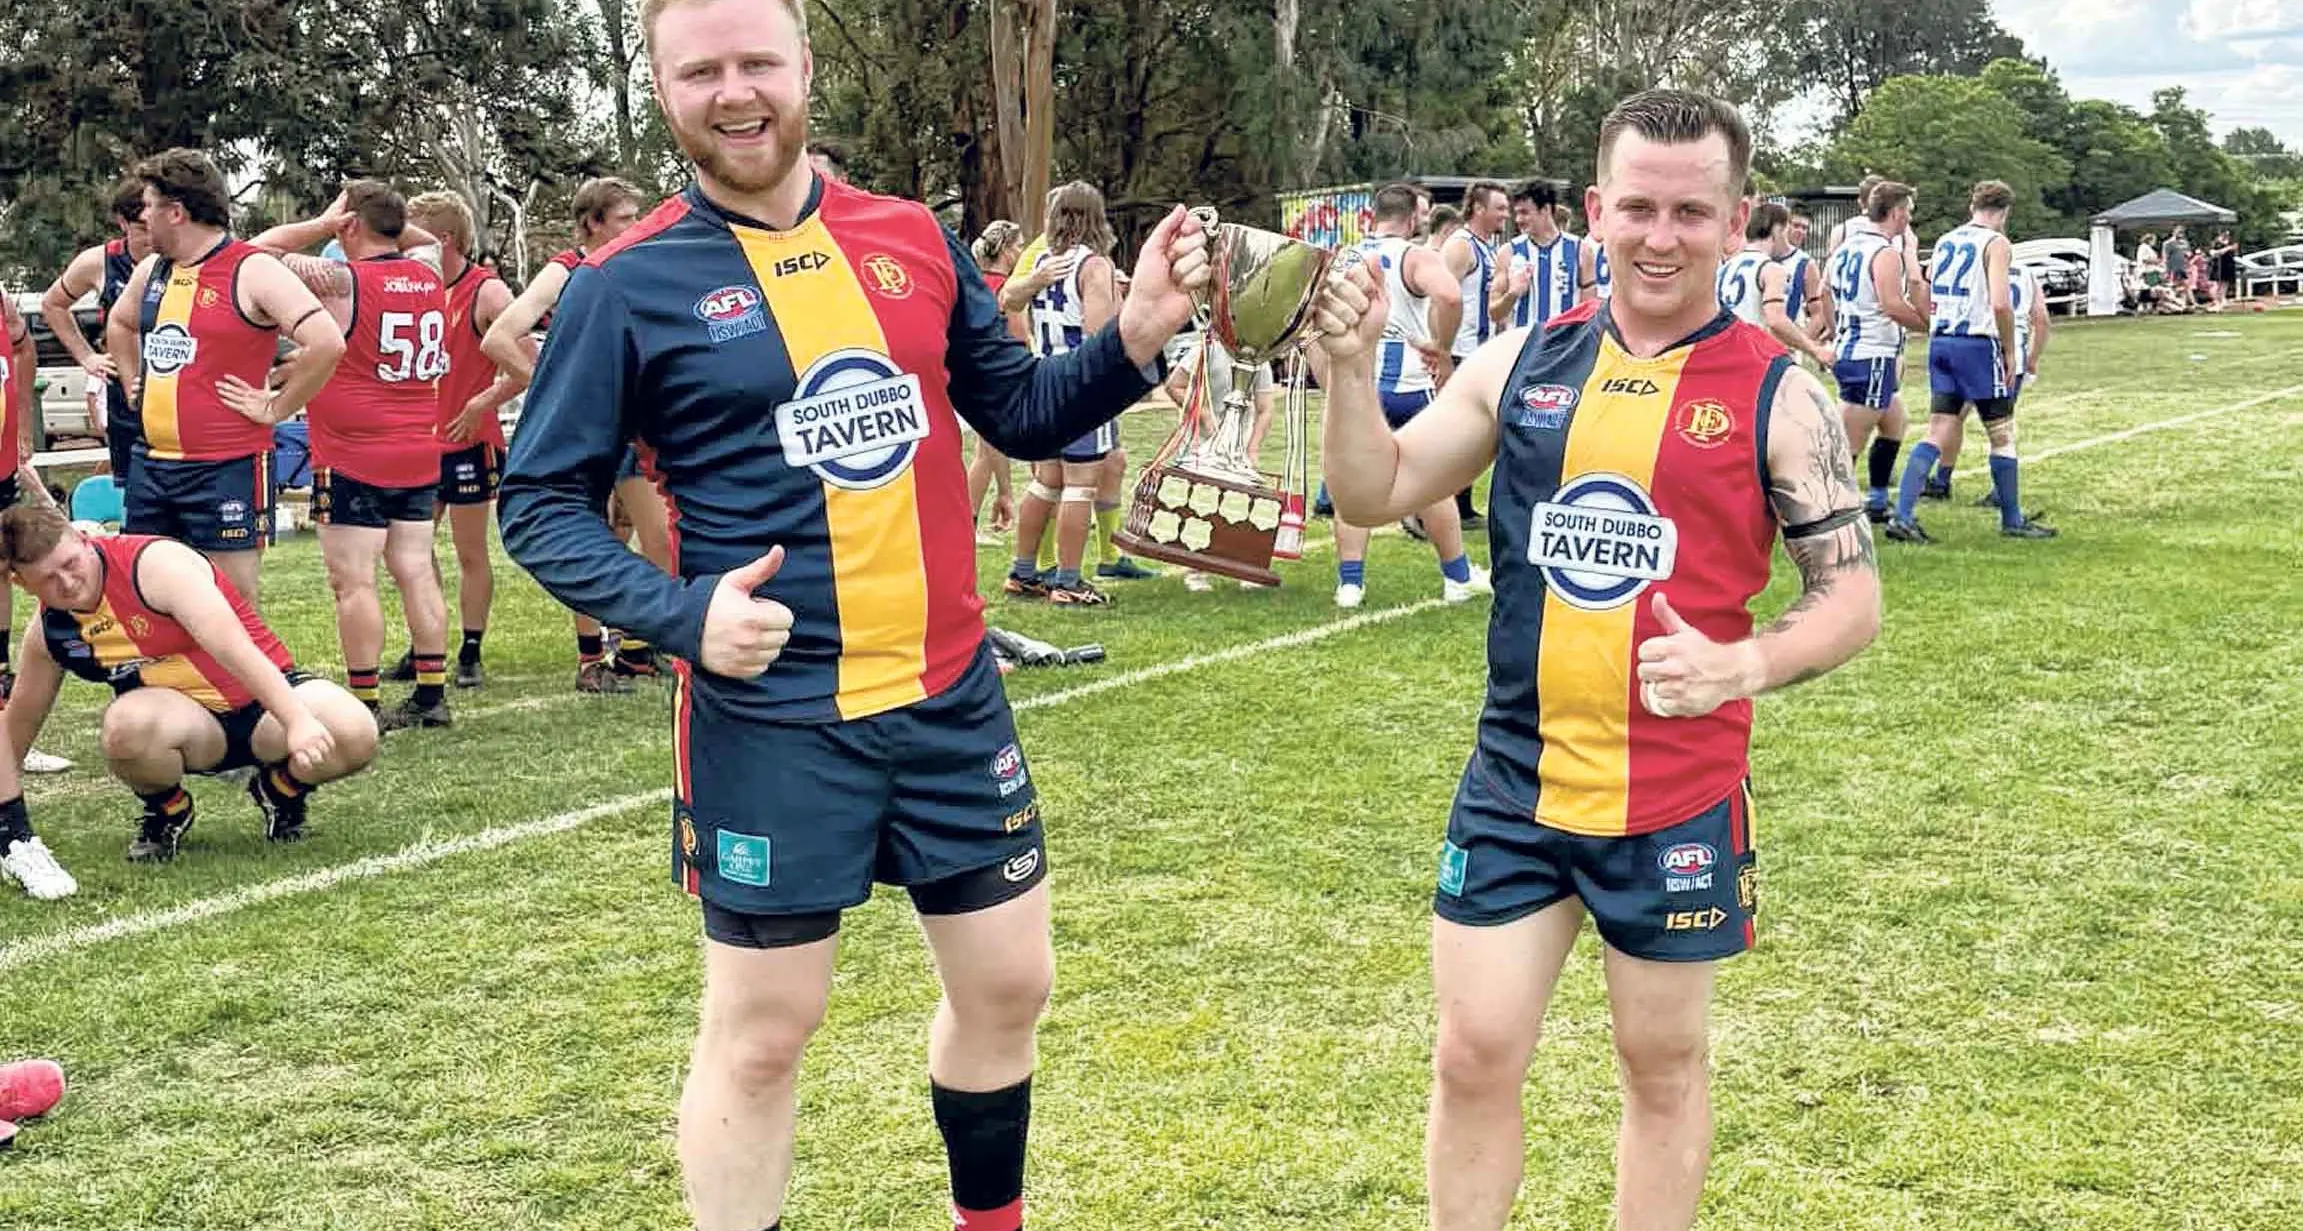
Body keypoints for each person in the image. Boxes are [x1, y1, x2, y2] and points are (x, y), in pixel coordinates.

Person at [496, 3, 1208, 1229]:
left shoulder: (910, 237)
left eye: (757, 62)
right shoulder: (626, 285)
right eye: (699, 71)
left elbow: (1022, 412)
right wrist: (675, 614)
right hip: (773, 715)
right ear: (662, 88)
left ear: (804, 69)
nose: (734, 93)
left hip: (945, 694)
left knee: (1007, 987)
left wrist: (1134, 335)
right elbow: (541, 499)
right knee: (765, 1036)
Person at [1309, 89, 1880, 1231]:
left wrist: (1742, 665)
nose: (1659, 235)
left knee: (1657, 1066)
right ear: (1592, 210)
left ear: (1735, 216)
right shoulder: (1522, 360)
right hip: (1515, 783)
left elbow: (1850, 595)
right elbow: (1374, 492)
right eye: (1635, 208)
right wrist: (1346, 369)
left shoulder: (1779, 393)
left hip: (1676, 796)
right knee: (1471, 1055)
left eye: (1689, 210)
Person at [0, 504, 379, 863]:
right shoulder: (51, 632)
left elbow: (234, 649)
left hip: (262, 704)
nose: (67, 582)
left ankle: (279, 791)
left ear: (83, 539)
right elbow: (20, 720)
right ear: (20, 583)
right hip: (189, 729)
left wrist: (296, 720)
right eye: (48, 578)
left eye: (71, 563)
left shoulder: (154, 565)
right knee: (123, 727)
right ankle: (168, 811)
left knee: (355, 732)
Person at [244, 184, 464, 726]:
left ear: (350, 226)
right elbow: (420, 239)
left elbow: (255, 254)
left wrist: (324, 225)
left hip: (353, 452)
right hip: (417, 444)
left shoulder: (342, 280)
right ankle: (431, 695)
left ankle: (364, 699)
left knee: (354, 580)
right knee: (415, 569)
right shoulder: (428, 270)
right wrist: (379, 214)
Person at [103, 148, 349, 606]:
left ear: (176, 213)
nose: (142, 216)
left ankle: (237, 681)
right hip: (152, 464)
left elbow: (327, 342)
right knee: (144, 595)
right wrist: (132, 378)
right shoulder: (152, 271)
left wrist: (278, 407)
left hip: (226, 466)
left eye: (150, 204)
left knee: (230, 600)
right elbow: (119, 323)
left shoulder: (250, 268)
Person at [481, 177, 665, 690]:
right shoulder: (567, 271)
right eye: (626, 217)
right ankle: (596, 659)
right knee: (599, 538)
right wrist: (555, 387)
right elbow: (499, 337)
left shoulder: (635, 264)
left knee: (653, 536)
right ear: (593, 223)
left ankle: (632, 648)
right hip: (592, 431)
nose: (637, 224)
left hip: (633, 424)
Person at [1334, 183, 1486, 609]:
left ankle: (1350, 583)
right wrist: (1441, 344)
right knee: (1432, 482)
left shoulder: (1343, 257)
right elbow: (1450, 294)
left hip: (1358, 382)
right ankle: (1456, 577)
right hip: (1408, 385)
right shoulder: (1412, 256)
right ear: (1412, 218)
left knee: (1351, 483)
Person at [1889, 181, 2056, 542]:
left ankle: (1902, 515)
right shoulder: (1996, 243)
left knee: (1938, 429)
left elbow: (1921, 283)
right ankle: (2012, 519)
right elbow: (2000, 302)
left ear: (1972, 206)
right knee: (2001, 432)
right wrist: (2011, 350)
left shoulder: (1948, 240)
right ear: (2005, 212)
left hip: (1943, 340)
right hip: (1978, 344)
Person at [403, 189, 523, 688]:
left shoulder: (488, 292)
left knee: (470, 551)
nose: (405, 246)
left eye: (414, 236)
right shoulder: (413, 287)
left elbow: (529, 367)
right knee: (410, 552)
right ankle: (424, 644)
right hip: (419, 445)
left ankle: (471, 649)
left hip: (470, 442)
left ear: (444, 239)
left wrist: (481, 404)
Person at [1004, 181, 1129, 604]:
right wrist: (1123, 304)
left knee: (1047, 482)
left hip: (1043, 376)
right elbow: (1099, 335)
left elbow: (1009, 298)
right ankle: (1069, 581)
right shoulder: (1095, 266)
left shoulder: (1043, 258)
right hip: (1080, 382)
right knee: (1080, 485)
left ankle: (1023, 572)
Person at [1825, 181, 1926, 522]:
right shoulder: (1884, 252)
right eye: (1908, 212)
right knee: (1849, 444)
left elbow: (1824, 292)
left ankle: (1878, 499)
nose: (1909, 219)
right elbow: (1893, 305)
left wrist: (1836, 327)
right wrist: (1928, 324)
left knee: (1894, 422)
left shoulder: (1846, 247)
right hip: (1871, 353)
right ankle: (1831, 511)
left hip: (1855, 348)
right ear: (1896, 212)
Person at [41, 179, 151, 481]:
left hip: (177, 391)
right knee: (136, 493)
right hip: (127, 397)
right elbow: (52, 305)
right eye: (142, 228)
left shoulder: (181, 258)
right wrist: (88, 358)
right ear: (123, 223)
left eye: (156, 225)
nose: (152, 237)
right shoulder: (100, 261)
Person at [1162, 328, 1277, 593]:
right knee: (1203, 506)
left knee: (1243, 506)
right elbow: (1174, 385)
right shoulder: (1206, 348)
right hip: (1204, 444)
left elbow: (1266, 407)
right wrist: (1202, 414)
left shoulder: (1259, 356)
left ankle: (1246, 568)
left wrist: (1253, 447)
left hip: (1240, 444)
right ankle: (1196, 571)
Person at [1718, 202, 1835, 368]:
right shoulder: (1771, 269)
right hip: (1758, 357)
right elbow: (1775, 320)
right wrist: (1814, 350)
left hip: (1725, 354)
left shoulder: (1726, 267)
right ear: (1777, 231)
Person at [967, 221, 1026, 545]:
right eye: (1018, 247)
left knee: (984, 454)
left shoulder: (976, 284)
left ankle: (969, 523)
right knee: (990, 449)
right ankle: (971, 522)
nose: (1020, 253)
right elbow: (1019, 337)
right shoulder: (1008, 288)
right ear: (1005, 250)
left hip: (975, 374)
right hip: (997, 378)